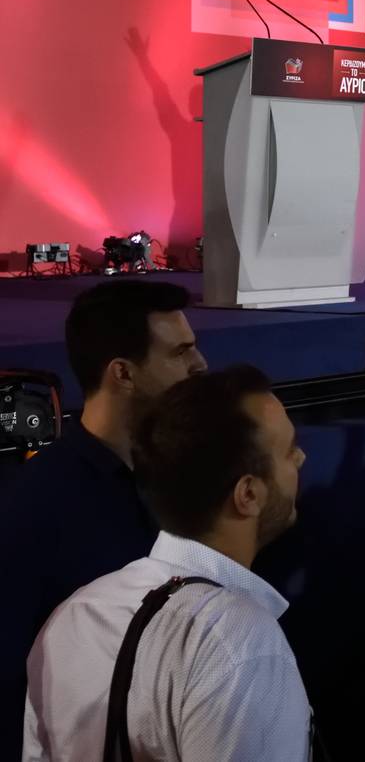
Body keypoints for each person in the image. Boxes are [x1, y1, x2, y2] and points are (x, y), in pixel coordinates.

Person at [23, 366, 309, 760]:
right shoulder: (242, 645)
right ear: (248, 495)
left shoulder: (74, 615)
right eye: (288, 450)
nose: (302, 457)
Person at [0, 281, 206, 762]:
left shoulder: (182, 476)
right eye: (181, 352)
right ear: (123, 374)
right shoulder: (41, 506)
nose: (200, 365)